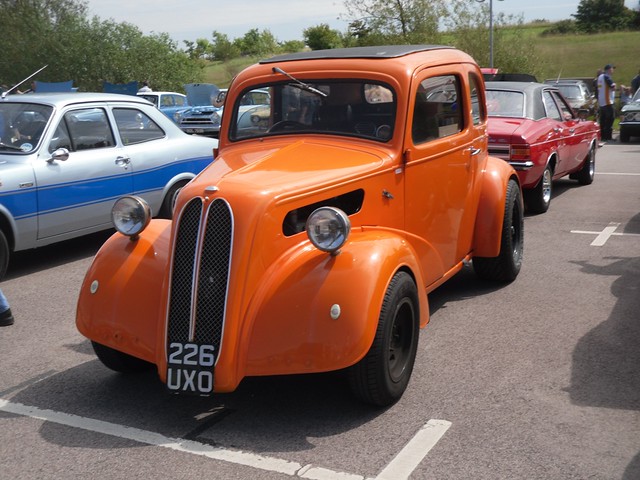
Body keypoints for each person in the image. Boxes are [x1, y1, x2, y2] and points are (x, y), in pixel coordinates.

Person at [597, 64, 616, 141]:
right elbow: (613, 87)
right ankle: (608, 137)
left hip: (602, 102)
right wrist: (614, 85)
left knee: (603, 120)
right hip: (608, 101)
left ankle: (603, 136)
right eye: (612, 69)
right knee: (610, 119)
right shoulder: (606, 76)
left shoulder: (599, 77)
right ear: (608, 70)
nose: (613, 70)